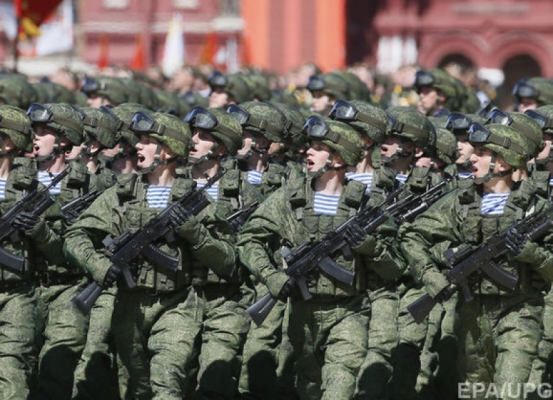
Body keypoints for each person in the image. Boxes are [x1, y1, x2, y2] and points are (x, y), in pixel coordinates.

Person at [64, 111, 233, 398]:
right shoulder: (122, 193)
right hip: (128, 306)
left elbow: (227, 260)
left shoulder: (193, 198)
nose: (138, 146)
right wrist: (99, 265)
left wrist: (195, 233)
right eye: (138, 140)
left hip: (177, 305)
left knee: (167, 381)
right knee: (134, 388)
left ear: (168, 150)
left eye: (147, 141)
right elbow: (75, 236)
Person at [238, 115, 402, 399]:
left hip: (349, 311)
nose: (308, 152)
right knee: (309, 387)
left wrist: (371, 247)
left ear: (338, 158)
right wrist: (271, 275)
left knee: (340, 382)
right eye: (309, 146)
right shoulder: (290, 198)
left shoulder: (365, 205)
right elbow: (249, 238)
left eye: (318, 147)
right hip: (302, 314)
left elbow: (395, 267)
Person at [399, 122, 553, 396]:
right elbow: (412, 236)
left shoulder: (535, 207)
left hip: (520, 311)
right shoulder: (461, 201)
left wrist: (532, 254)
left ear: (504, 162)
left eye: (482, 153)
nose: (472, 157)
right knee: (475, 391)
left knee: (509, 390)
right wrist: (432, 277)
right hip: (471, 313)